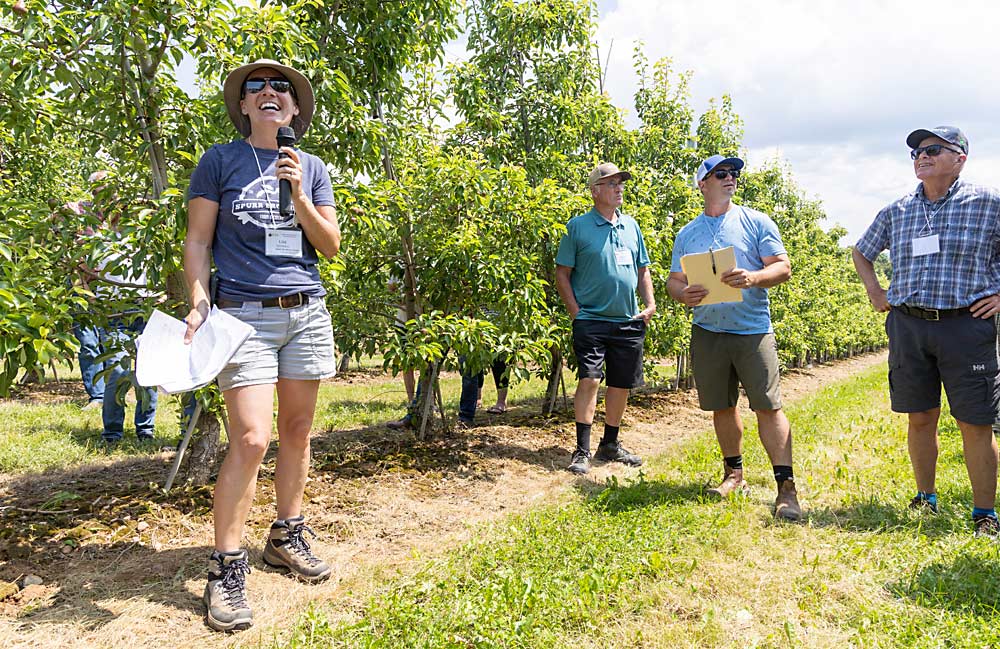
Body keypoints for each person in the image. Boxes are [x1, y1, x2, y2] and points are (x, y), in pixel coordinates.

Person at [184, 59, 341, 632]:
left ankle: (286, 534)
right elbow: (198, 241)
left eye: (282, 89)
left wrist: (298, 192)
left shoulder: (313, 167)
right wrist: (199, 300)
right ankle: (226, 566)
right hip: (242, 316)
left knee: (298, 431)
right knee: (251, 438)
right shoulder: (218, 161)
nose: (270, 92)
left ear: (294, 110)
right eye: (258, 87)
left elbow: (329, 246)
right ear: (245, 104)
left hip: (305, 311)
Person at [852, 126, 1000, 538]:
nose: (922, 156)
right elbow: (861, 251)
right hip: (908, 325)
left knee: (976, 421)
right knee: (920, 416)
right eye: (917, 151)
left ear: (960, 158)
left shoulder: (988, 203)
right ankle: (925, 497)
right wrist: (874, 289)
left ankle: (984, 512)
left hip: (965, 325)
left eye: (933, 149)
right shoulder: (897, 210)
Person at [667, 154, 800, 521]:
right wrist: (683, 294)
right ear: (702, 184)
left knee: (768, 407)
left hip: (752, 329)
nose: (730, 178)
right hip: (708, 330)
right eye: (721, 173)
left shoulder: (755, 221)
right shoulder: (688, 233)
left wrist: (753, 278)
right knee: (721, 406)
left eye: (733, 173)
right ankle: (734, 474)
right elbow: (674, 281)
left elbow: (782, 266)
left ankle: (785, 488)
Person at [555, 162, 655, 474]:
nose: (619, 188)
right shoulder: (577, 227)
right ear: (595, 190)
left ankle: (609, 444)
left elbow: (642, 269)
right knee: (590, 379)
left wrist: (649, 303)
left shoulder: (631, 226)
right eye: (612, 184)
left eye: (620, 183)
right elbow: (562, 273)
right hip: (592, 320)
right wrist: (576, 312)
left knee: (621, 384)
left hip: (628, 319)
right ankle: (582, 450)